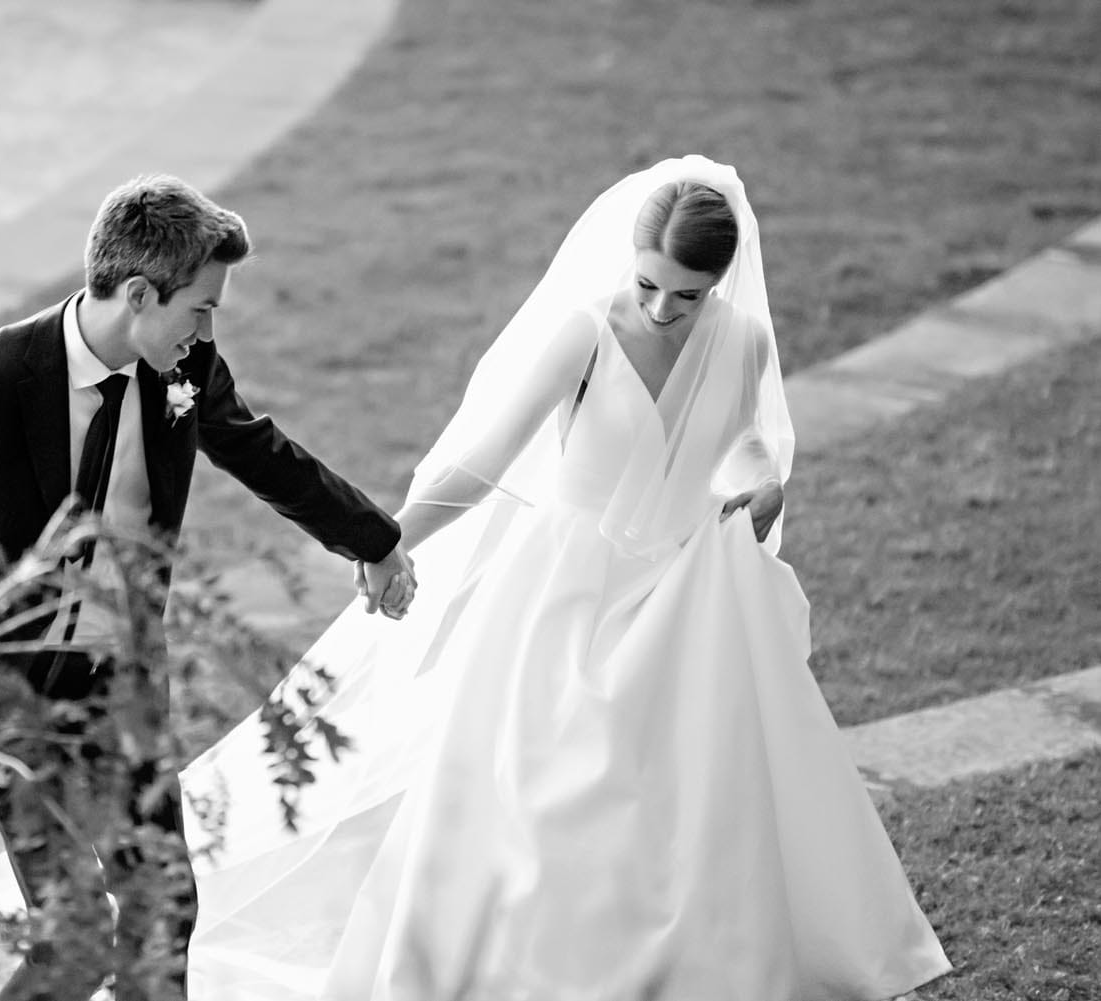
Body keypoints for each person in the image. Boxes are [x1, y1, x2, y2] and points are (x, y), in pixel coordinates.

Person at [180, 156, 951, 1000]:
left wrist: (765, 484)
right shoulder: (587, 332)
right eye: (649, 284)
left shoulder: (745, 341)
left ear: (718, 283)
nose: (662, 308)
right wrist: (388, 540)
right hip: (565, 593)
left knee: (688, 798)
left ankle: (683, 967)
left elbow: (747, 438)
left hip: (685, 595)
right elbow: (484, 458)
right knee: (544, 793)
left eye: (687, 295)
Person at [0, 174, 416, 1000]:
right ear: (138, 294)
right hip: (6, 696)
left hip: (123, 689)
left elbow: (260, 451)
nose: (207, 328)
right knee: (76, 937)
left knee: (164, 912)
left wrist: (375, 540)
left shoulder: (184, 368)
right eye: (200, 307)